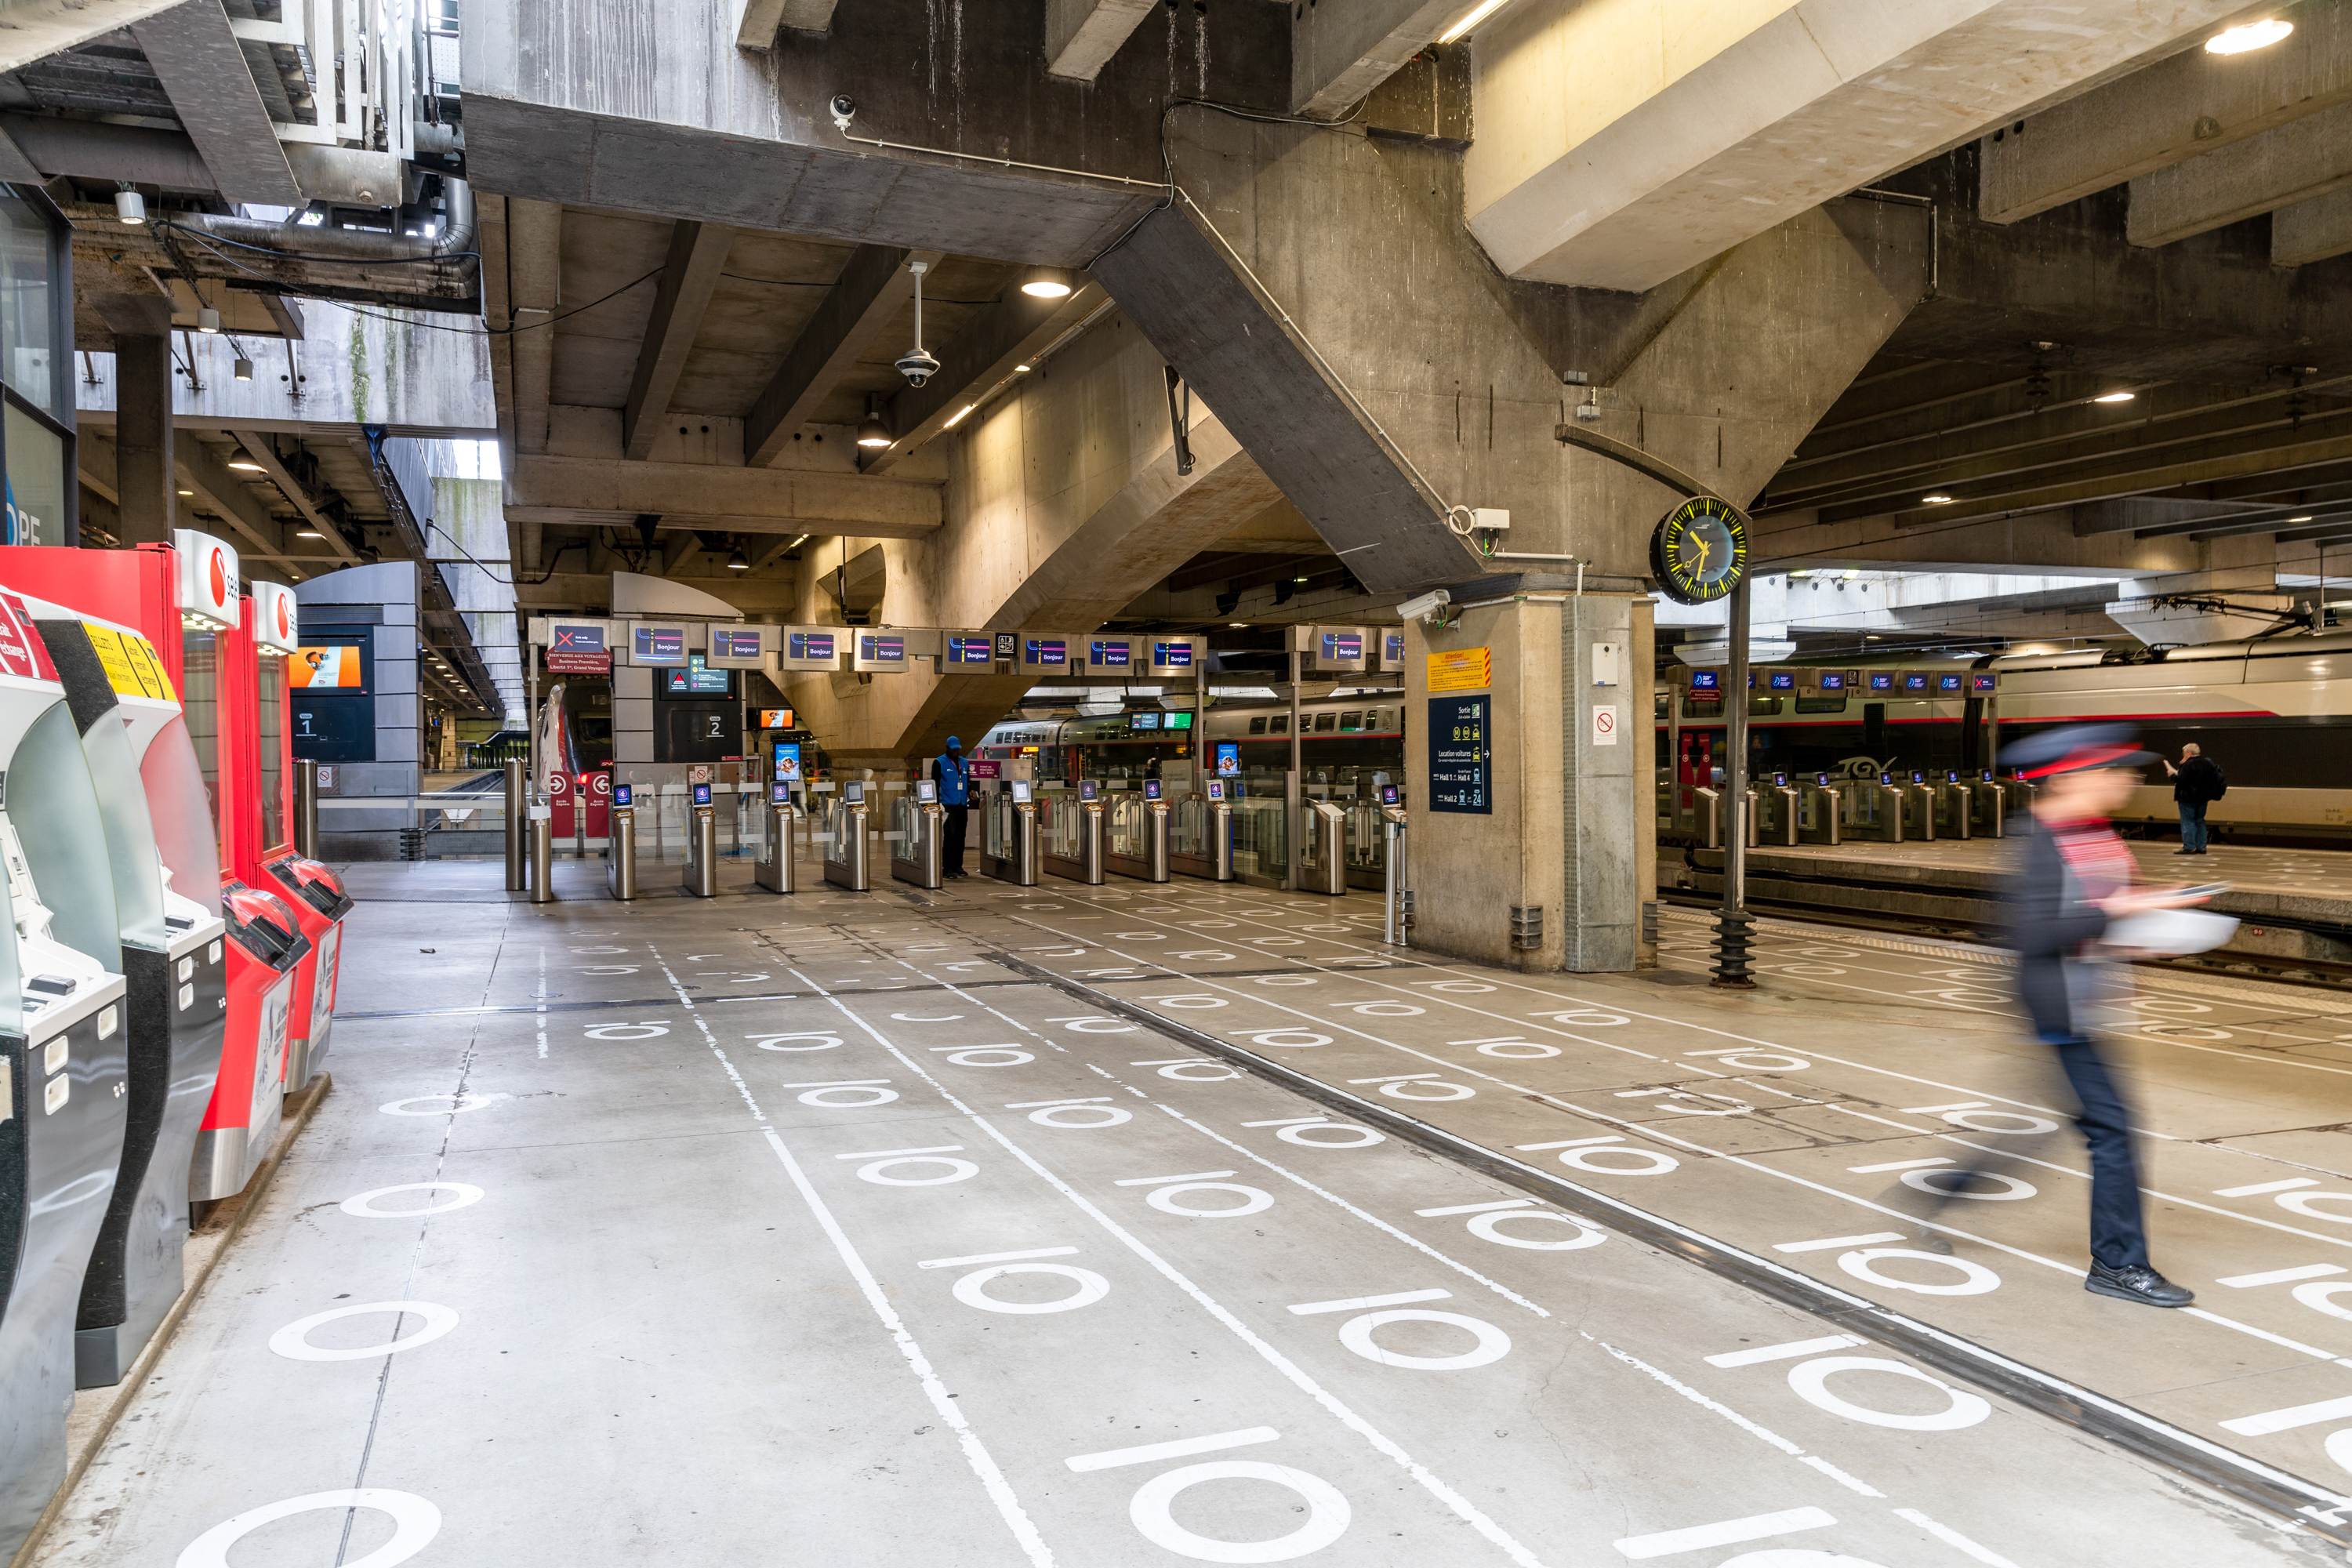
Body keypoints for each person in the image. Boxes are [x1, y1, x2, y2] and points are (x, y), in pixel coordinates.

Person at [2003, 724, 2210, 1308]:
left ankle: (1948, 1189)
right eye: (2115, 770)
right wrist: (2121, 910)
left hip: (2089, 1004)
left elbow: (2101, 913)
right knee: (2113, 1130)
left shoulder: (2091, 833)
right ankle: (2118, 1265)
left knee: (2087, 1125)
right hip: (2060, 1008)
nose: (2130, 779)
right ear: (2073, 778)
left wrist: (2153, 922)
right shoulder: (2040, 839)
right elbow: (2032, 933)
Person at [2161, 742, 2224, 855]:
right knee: (2200, 821)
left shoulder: (2188, 764)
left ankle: (2189, 847)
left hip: (2188, 798)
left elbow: (2182, 781)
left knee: (2188, 821)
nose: (2184, 756)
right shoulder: (2207, 763)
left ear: (2189, 754)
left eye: (2184, 754)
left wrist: (2172, 776)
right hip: (2203, 798)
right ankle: (2202, 847)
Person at [932, 737, 971, 878]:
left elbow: (968, 781)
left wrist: (971, 791)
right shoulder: (939, 762)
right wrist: (936, 803)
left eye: (957, 748)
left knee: (961, 836)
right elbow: (935, 783)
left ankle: (958, 866)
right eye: (953, 748)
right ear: (947, 748)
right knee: (950, 836)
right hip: (948, 804)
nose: (956, 751)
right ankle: (947, 867)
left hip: (962, 804)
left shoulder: (964, 762)